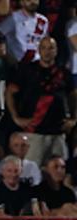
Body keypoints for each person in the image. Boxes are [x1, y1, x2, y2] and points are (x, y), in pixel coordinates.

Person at [5, 37, 75, 168]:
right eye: (44, 48)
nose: (47, 51)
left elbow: (73, 96)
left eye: (51, 48)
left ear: (56, 51)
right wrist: (16, 117)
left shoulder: (64, 73)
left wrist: (74, 118)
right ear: (39, 50)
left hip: (58, 133)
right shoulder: (27, 70)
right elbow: (9, 92)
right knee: (32, 170)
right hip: (34, 133)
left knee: (60, 172)